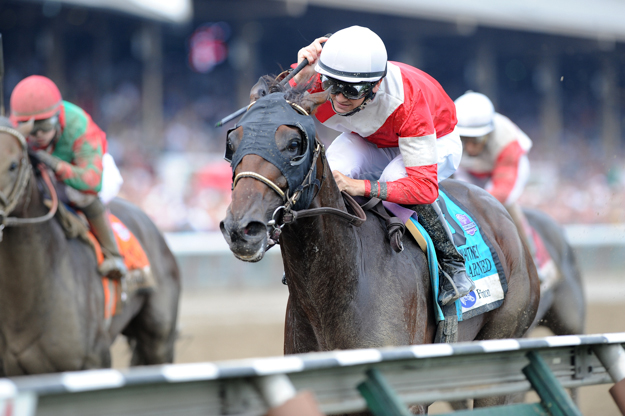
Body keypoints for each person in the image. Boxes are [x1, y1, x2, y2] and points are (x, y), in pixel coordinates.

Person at [292, 26, 475, 305]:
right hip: (374, 137)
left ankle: (452, 264)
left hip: (436, 140)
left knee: (393, 179)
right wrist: (302, 73)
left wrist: (358, 186)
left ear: (375, 85)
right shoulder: (322, 74)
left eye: (351, 91)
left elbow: (423, 188)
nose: (339, 98)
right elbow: (271, 102)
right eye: (332, 85)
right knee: (328, 171)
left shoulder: (408, 101)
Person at [9, 75, 127, 282]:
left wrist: (55, 164)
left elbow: (91, 181)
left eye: (45, 127)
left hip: (95, 170)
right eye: (31, 129)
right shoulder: (13, 126)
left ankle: (113, 254)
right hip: (49, 171)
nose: (37, 136)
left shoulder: (78, 125)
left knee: (79, 194)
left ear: (58, 118)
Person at [453, 91, 534, 252]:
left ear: (489, 133)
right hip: (470, 170)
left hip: (507, 168)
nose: (469, 147)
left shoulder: (507, 139)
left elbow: (501, 191)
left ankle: (533, 255)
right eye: (464, 139)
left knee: (505, 206)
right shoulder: (447, 135)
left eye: (476, 140)